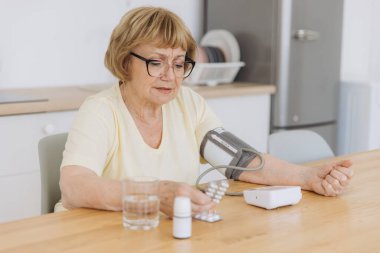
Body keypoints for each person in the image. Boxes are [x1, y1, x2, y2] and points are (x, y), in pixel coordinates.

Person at [58, 7, 353, 217]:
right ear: (125, 62)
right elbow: (74, 187)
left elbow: (242, 161)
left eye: (178, 63)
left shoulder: (188, 104)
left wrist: (308, 176)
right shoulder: (100, 111)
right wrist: (156, 194)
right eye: (156, 62)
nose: (170, 76)